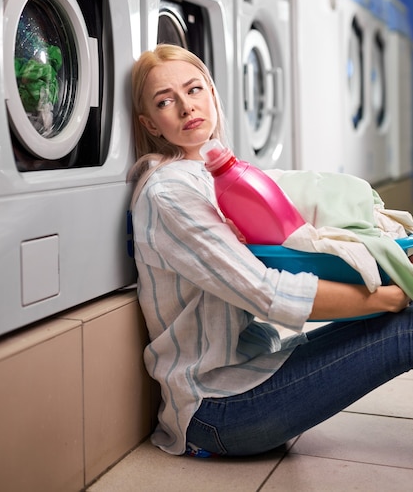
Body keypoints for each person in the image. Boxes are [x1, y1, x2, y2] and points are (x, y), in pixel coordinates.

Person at [129, 44, 413, 458]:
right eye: (165, 101)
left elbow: (306, 215)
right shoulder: (170, 193)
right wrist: (389, 297)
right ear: (151, 124)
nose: (186, 107)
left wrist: (388, 258)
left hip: (256, 368)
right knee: (407, 328)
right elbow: (266, 293)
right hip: (219, 408)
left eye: (193, 90)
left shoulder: (214, 176)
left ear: (212, 93)